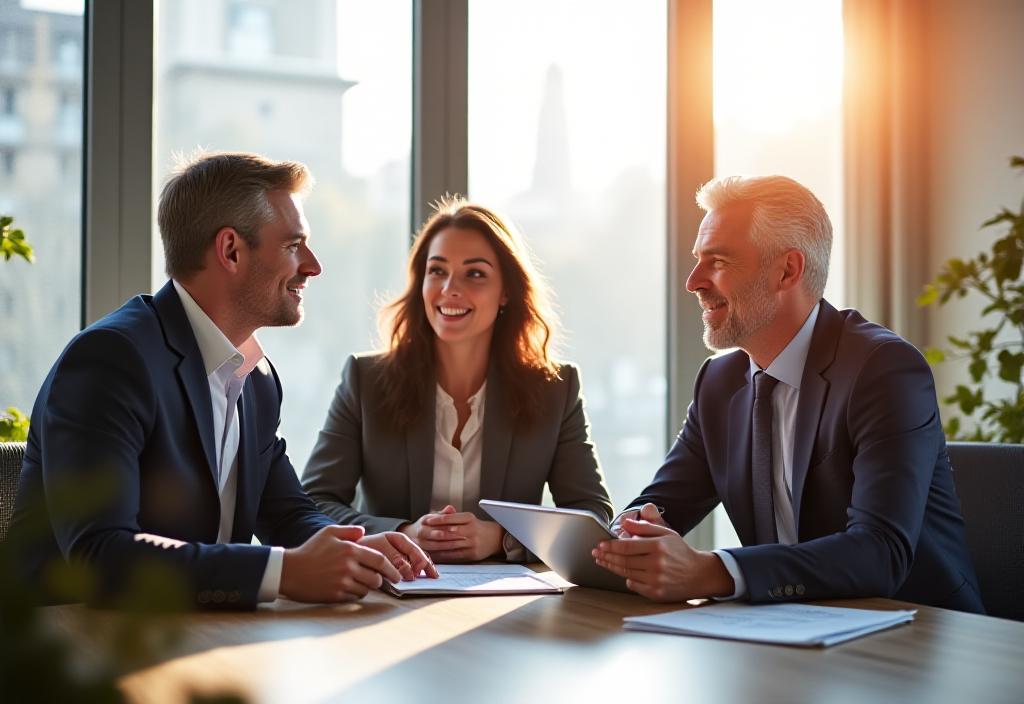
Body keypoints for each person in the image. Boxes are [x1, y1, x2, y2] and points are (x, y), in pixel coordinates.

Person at [9, 152, 435, 610]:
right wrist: (284, 572)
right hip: (70, 649)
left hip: (191, 636)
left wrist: (359, 547)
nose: (313, 266)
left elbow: (287, 512)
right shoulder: (112, 360)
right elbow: (100, 555)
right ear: (231, 250)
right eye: (293, 246)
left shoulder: (256, 378)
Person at [593, 175, 984, 613]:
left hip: (918, 636)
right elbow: (661, 504)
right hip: (791, 632)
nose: (694, 281)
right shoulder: (719, 384)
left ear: (787, 270)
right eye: (698, 260)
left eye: (717, 261)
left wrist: (711, 570)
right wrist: (622, 538)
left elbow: (880, 552)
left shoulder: (883, 369)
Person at [302, 198, 612, 562]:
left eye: (475, 273)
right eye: (437, 271)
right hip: (389, 592)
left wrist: (502, 539)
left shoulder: (556, 388)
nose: (450, 288)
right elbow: (313, 504)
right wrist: (402, 533)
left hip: (507, 605)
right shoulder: (365, 380)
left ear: (507, 292)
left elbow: (592, 514)